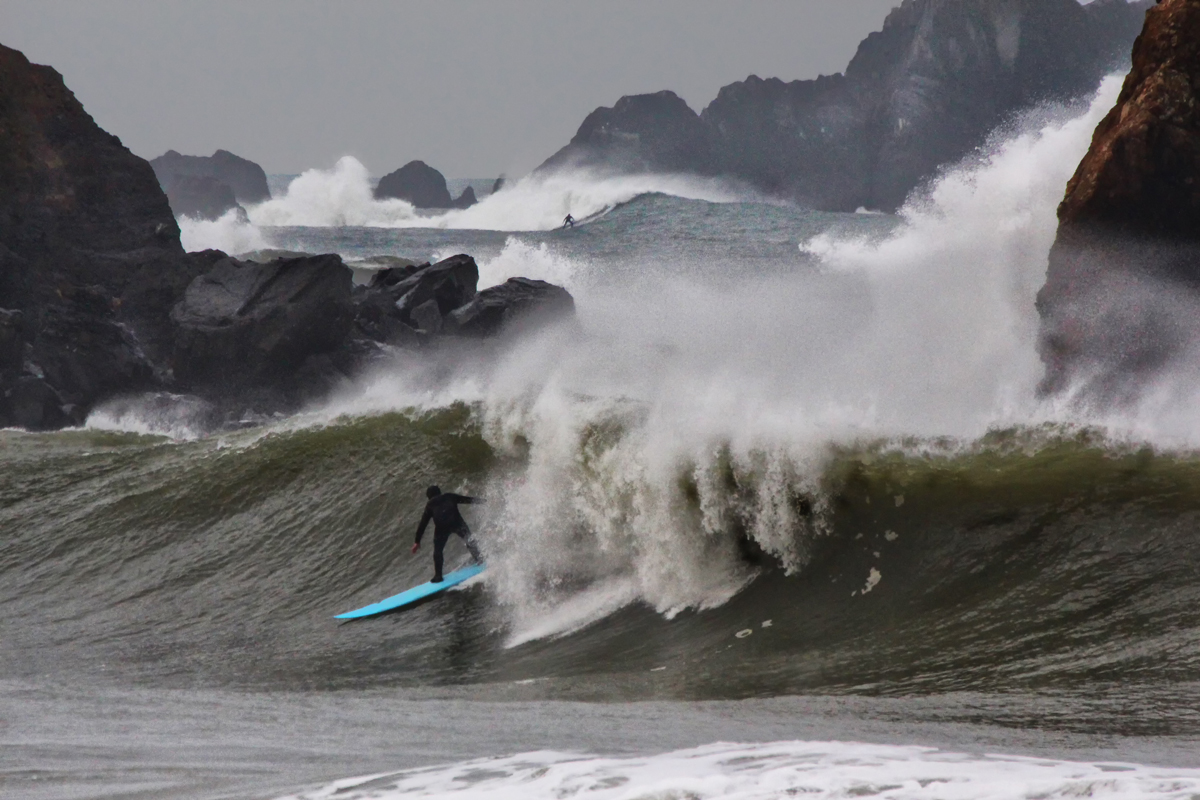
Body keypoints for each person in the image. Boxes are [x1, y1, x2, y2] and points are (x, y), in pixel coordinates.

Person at [411, 485, 483, 582]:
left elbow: (423, 524)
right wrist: (483, 501)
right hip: (456, 522)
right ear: (440, 492)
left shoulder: (430, 504)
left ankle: (438, 576)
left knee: (438, 551)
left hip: (442, 528)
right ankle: (479, 559)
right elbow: (468, 500)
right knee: (469, 539)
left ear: (429, 496)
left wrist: (417, 541)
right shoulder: (449, 496)